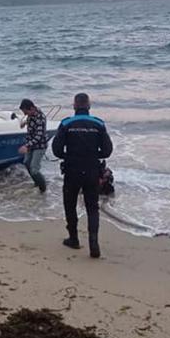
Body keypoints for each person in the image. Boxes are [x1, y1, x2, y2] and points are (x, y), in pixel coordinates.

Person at [51, 93, 113, 258]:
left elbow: (56, 150)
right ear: (89, 106)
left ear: (74, 106)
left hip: (72, 169)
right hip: (92, 169)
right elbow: (107, 151)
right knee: (92, 207)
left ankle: (74, 239)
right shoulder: (99, 124)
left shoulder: (66, 123)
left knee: (70, 204)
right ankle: (94, 244)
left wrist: (69, 156)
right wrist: (92, 154)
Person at [17, 99, 47, 193]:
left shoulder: (40, 118)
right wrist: (25, 123)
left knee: (34, 169)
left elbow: (39, 136)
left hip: (40, 145)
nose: (26, 114)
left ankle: (43, 189)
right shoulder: (30, 114)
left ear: (32, 108)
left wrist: (26, 146)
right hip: (31, 144)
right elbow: (30, 120)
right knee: (26, 162)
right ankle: (37, 182)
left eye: (26, 112)